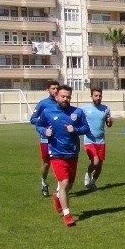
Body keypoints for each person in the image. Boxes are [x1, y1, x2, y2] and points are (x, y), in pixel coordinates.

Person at [35, 85, 89, 226]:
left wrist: (75, 129)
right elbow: (38, 125)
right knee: (63, 183)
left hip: (72, 153)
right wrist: (44, 131)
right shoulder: (47, 112)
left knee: (69, 184)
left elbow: (85, 128)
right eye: (63, 96)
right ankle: (67, 215)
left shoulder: (77, 112)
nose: (65, 99)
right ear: (56, 97)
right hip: (56, 153)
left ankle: (57, 196)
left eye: (68, 97)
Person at [30, 80, 60, 197]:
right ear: (48, 90)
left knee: (59, 162)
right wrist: (44, 122)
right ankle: (44, 181)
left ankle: (60, 188)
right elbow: (33, 119)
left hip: (59, 139)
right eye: (53, 88)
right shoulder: (43, 103)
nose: (56, 90)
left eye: (57, 88)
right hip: (46, 139)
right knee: (46, 163)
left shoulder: (62, 102)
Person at [80, 87, 113, 191]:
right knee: (95, 162)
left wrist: (110, 122)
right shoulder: (84, 109)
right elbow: (79, 123)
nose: (98, 97)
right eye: (96, 95)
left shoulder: (106, 109)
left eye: (100, 96)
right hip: (89, 140)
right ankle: (88, 173)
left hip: (101, 141)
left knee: (100, 164)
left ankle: (93, 183)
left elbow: (108, 124)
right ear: (91, 96)